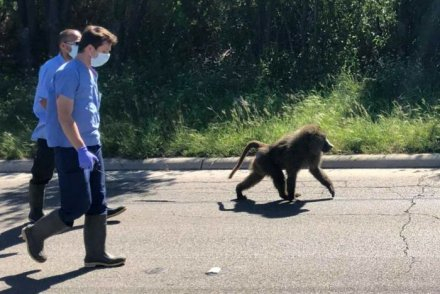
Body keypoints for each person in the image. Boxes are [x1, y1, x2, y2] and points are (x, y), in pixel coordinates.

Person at [22, 25, 125, 267]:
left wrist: (90, 145)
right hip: (71, 148)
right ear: (90, 48)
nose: (106, 55)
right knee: (76, 205)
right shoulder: (69, 72)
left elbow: (87, 112)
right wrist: (80, 149)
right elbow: (64, 116)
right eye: (104, 50)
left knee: (98, 202)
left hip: (92, 145)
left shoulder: (91, 73)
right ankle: (35, 233)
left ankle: (95, 254)